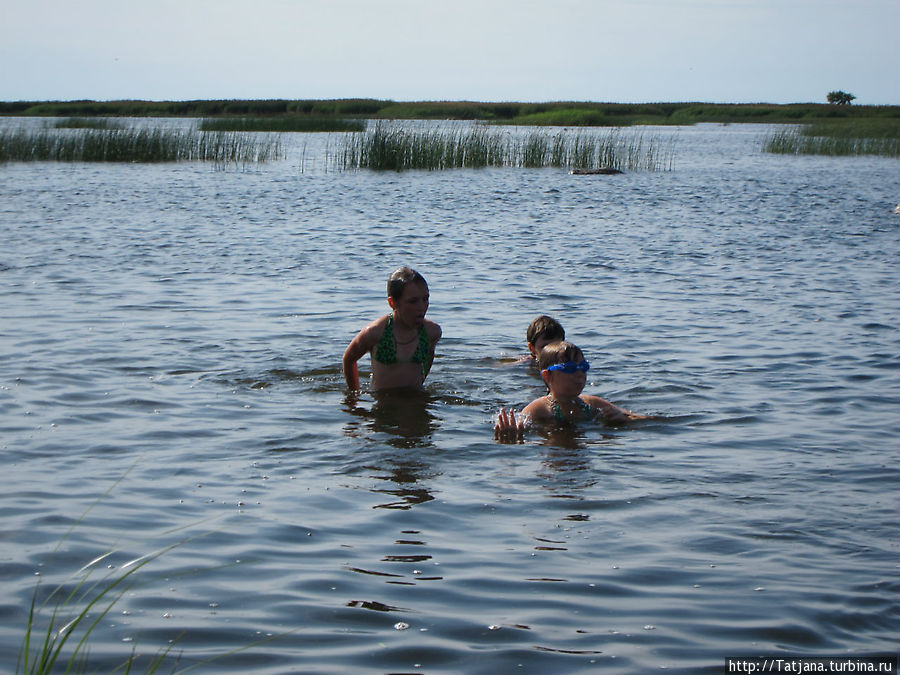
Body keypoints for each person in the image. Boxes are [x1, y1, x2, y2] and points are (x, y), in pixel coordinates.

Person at [495, 341, 646, 441]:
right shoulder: (539, 409)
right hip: (554, 449)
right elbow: (522, 428)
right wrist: (514, 432)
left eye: (583, 367)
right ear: (547, 376)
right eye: (571, 368)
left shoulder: (592, 403)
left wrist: (623, 420)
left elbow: (642, 419)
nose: (580, 373)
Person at [343, 267, 442, 391]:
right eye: (413, 301)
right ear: (392, 303)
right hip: (382, 399)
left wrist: (421, 381)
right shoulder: (375, 332)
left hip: (415, 398)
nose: (421, 307)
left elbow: (429, 356)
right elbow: (349, 359)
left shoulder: (431, 332)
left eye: (425, 299)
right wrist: (354, 396)